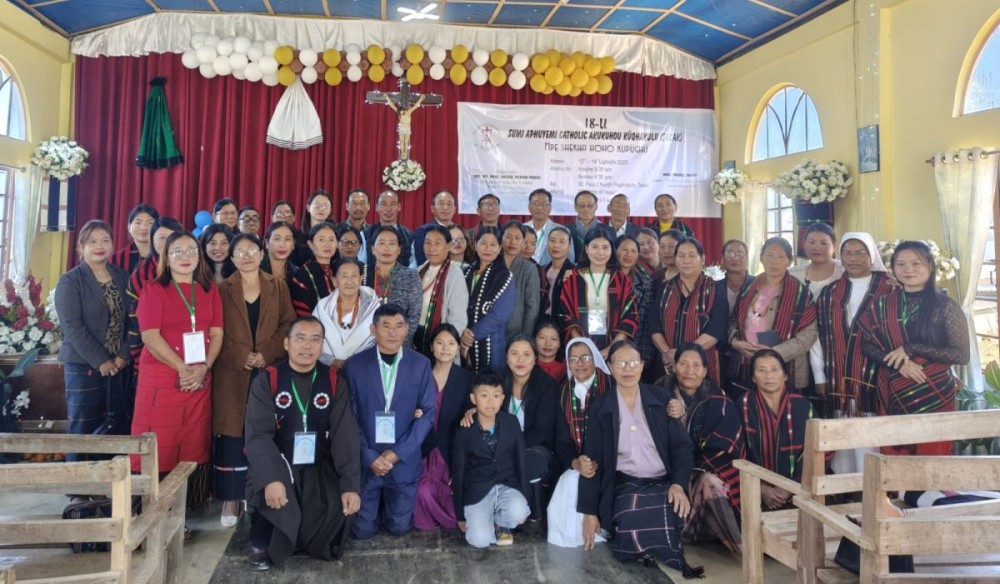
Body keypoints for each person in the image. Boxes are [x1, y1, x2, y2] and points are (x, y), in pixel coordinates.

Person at [244, 316, 361, 570]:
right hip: (280, 463)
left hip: (317, 463)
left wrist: (350, 484)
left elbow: (345, 435)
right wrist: (271, 479)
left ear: (322, 346)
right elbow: (257, 435)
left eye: (315, 340)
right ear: (286, 344)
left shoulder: (333, 380)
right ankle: (260, 544)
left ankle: (304, 536)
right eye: (300, 339)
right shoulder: (268, 379)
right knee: (265, 486)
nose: (307, 346)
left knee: (338, 516)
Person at [579, 340, 701, 578]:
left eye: (633, 362)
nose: (627, 368)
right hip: (626, 483)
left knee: (676, 513)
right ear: (610, 367)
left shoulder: (661, 398)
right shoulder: (601, 407)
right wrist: (589, 512)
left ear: (642, 366)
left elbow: (682, 448)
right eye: (620, 363)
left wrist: (678, 483)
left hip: (663, 481)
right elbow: (591, 462)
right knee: (629, 518)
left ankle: (652, 545)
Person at [213, 233, 296, 527]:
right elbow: (214, 329)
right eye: (240, 251)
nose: (246, 255)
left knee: (263, 430)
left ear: (262, 253)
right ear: (231, 257)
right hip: (231, 372)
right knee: (233, 433)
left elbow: (288, 323)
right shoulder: (222, 289)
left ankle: (261, 490)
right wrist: (240, 355)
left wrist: (267, 352)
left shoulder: (278, 286)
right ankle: (231, 498)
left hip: (268, 369)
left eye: (252, 250)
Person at [858, 241, 970, 455]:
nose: (908, 269)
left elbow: (962, 355)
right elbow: (867, 345)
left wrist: (912, 348)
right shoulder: (882, 304)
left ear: (930, 265)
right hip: (893, 392)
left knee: (932, 459)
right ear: (893, 268)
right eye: (901, 264)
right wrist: (899, 364)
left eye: (915, 263)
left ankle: (932, 491)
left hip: (935, 394)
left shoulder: (945, 306)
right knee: (893, 461)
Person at [133, 231, 223, 476]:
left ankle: (189, 499)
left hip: (199, 376)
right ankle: (150, 498)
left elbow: (216, 334)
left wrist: (204, 367)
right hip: (163, 375)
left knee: (193, 436)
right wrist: (183, 369)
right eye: (178, 252)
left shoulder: (209, 290)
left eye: (191, 250)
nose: (186, 257)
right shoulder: (153, 290)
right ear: (167, 258)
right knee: (160, 435)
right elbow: (150, 336)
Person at [343, 304, 436, 539]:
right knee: (362, 531)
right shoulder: (354, 366)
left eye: (399, 326)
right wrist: (369, 456)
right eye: (386, 326)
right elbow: (348, 417)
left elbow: (427, 414)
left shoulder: (420, 364)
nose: (393, 332)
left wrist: (396, 453)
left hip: (402, 460)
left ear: (407, 330)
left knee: (399, 528)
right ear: (373, 329)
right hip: (368, 460)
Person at [55, 220, 131, 461]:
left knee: (115, 423)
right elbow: (72, 327)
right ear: (81, 246)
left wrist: (122, 355)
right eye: (93, 241)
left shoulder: (122, 276)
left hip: (118, 365)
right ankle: (79, 488)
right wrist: (101, 361)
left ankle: (110, 486)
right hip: (83, 365)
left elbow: (134, 321)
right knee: (83, 423)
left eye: (105, 240)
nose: (100, 246)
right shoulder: (70, 280)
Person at [663, 343, 744, 554]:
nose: (690, 371)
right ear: (674, 366)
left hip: (702, 469)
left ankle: (742, 548)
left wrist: (686, 413)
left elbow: (725, 444)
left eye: (696, 365)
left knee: (712, 484)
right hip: (667, 469)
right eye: (684, 364)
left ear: (705, 371)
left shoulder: (718, 398)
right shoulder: (659, 391)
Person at [815, 232, 894, 423]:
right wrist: (819, 374)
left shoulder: (890, 288)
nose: (853, 258)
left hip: (880, 375)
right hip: (837, 376)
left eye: (860, 253)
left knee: (874, 436)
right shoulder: (829, 292)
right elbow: (817, 337)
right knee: (841, 438)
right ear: (840, 256)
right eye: (847, 253)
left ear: (871, 256)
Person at [451, 370, 531, 548]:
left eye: (496, 396)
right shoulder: (464, 430)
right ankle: (487, 520)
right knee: (480, 541)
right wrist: (459, 515)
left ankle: (501, 522)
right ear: (473, 398)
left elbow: (521, 461)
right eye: (484, 395)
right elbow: (459, 472)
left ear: (503, 398)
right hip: (478, 490)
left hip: (506, 484)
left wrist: (525, 497)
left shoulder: (511, 423)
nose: (490, 402)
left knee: (519, 511)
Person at [729, 237, 817, 395]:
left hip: (786, 366)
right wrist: (735, 342)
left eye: (781, 257)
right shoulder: (749, 286)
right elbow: (734, 319)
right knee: (749, 411)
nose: (774, 261)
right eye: (770, 255)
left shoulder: (800, 294)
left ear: (790, 261)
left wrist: (775, 352)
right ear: (762, 258)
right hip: (747, 363)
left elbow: (808, 335)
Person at [546, 337, 611, 548]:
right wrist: (575, 463)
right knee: (571, 481)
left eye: (585, 357)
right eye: (573, 359)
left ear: (595, 358)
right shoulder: (562, 392)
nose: (579, 363)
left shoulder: (611, 385)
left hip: (609, 461)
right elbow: (562, 440)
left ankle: (600, 531)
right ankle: (579, 537)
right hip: (577, 462)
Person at [414, 324, 475, 530]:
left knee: (444, 492)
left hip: (449, 450)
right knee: (419, 490)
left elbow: (474, 408)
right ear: (431, 347)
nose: (445, 348)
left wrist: (472, 412)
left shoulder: (465, 378)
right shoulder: (419, 374)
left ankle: (453, 518)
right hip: (422, 448)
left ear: (458, 347)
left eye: (451, 343)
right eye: (440, 343)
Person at [498, 335, 565, 520]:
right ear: (506, 357)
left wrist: (508, 449)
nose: (520, 360)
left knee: (529, 460)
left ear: (535, 359)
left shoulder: (547, 386)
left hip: (536, 449)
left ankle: (531, 509)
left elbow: (541, 434)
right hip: (501, 447)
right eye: (514, 354)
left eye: (526, 354)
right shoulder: (497, 381)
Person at [740, 349, 813, 510]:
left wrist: (790, 487)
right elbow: (734, 455)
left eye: (774, 369)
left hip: (799, 488)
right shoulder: (742, 406)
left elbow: (818, 451)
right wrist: (761, 489)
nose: (768, 376)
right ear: (753, 377)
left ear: (785, 375)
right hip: (753, 490)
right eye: (761, 370)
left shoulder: (803, 406)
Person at [651, 238, 729, 384]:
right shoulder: (664, 288)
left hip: (703, 361)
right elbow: (654, 325)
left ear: (702, 259)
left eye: (692, 256)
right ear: (675, 259)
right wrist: (667, 353)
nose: (686, 260)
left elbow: (717, 328)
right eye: (681, 256)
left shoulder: (715, 288)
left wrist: (682, 356)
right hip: (667, 361)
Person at [556, 227, 639, 355]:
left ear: (612, 250)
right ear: (586, 249)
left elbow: (631, 314)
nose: (600, 252)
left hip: (614, 348)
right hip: (580, 348)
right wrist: (580, 344)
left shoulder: (620, 279)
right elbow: (564, 315)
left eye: (605, 247)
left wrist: (611, 348)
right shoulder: (573, 279)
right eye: (595, 247)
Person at [790, 223, 844, 412]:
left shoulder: (844, 272)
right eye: (811, 242)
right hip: (800, 350)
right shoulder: (793, 274)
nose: (817, 247)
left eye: (824, 242)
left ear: (834, 246)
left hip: (837, 349)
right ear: (803, 244)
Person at [462, 227, 515, 372]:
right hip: (461, 339)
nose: (488, 248)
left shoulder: (504, 276)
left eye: (493, 245)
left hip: (490, 343)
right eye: (483, 243)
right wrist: (461, 331)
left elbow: (499, 315)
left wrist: (471, 335)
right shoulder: (465, 272)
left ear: (499, 249)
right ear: (476, 245)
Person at [313, 258, 381, 369]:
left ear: (360, 279)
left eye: (354, 276)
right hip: (327, 370)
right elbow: (313, 340)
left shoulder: (373, 306)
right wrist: (332, 361)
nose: (349, 281)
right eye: (344, 276)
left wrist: (354, 364)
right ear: (334, 281)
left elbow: (379, 341)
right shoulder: (322, 307)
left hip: (365, 368)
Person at [414, 225, 468, 357]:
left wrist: (447, 344)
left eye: (437, 243)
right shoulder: (419, 270)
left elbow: (458, 317)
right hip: (415, 335)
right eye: (427, 243)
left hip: (440, 339)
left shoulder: (454, 273)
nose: (431, 248)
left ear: (449, 246)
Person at [364, 226, 422, 347]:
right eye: (381, 243)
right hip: (362, 343)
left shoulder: (410, 275)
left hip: (400, 344)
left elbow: (414, 315)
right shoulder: (362, 273)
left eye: (392, 243)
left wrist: (396, 341)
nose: (386, 248)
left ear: (399, 249)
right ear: (372, 249)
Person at [615, 234, 654, 365]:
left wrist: (642, 355)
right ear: (615, 251)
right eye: (624, 250)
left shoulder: (645, 282)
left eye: (633, 251)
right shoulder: (605, 277)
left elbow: (645, 320)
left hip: (634, 346)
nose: (628, 255)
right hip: (607, 342)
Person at [500, 221, 541, 343]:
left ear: (523, 242)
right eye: (508, 237)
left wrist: (525, 338)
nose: (512, 242)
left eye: (517, 238)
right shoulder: (493, 265)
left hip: (517, 334)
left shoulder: (529, 268)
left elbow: (532, 308)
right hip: (493, 332)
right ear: (501, 239)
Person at [290, 222, 338, 316]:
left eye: (331, 240)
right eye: (321, 240)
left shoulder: (340, 271)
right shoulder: (302, 276)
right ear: (311, 244)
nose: (327, 244)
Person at [366, 190, 414, 268]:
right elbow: (361, 263)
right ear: (376, 207)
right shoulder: (366, 234)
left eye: (393, 204)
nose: (388, 209)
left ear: (399, 207)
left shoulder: (409, 235)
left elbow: (412, 264)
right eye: (384, 204)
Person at [525, 188, 572, 265]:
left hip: (551, 275)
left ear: (550, 208)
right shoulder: (521, 229)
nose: (539, 208)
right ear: (529, 207)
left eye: (544, 204)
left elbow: (570, 259)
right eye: (536, 203)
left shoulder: (562, 231)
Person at [411, 190, 457, 267]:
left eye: (449, 204)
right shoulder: (423, 231)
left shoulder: (459, 231)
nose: (445, 207)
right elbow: (421, 261)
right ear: (432, 208)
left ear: (454, 209)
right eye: (441, 204)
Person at [111, 204, 158, 273]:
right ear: (129, 227)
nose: (144, 227)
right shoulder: (117, 259)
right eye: (138, 222)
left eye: (150, 223)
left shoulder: (166, 256)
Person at [539, 224, 574, 317]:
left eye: (562, 242)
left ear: (569, 246)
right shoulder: (541, 270)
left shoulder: (574, 272)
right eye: (552, 241)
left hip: (562, 324)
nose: (556, 245)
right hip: (541, 323)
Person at [260, 220, 298, 290]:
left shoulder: (298, 274)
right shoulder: (255, 270)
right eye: (277, 239)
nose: (282, 244)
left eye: (287, 239)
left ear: (293, 244)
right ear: (267, 243)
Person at [336, 188, 370, 264]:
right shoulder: (335, 230)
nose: (358, 207)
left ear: (368, 206)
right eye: (354, 203)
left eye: (362, 203)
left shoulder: (374, 232)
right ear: (347, 206)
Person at [565, 190, 601, 262]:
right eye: (582, 206)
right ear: (575, 207)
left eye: (590, 206)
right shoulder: (566, 230)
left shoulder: (607, 231)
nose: (586, 209)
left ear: (596, 207)